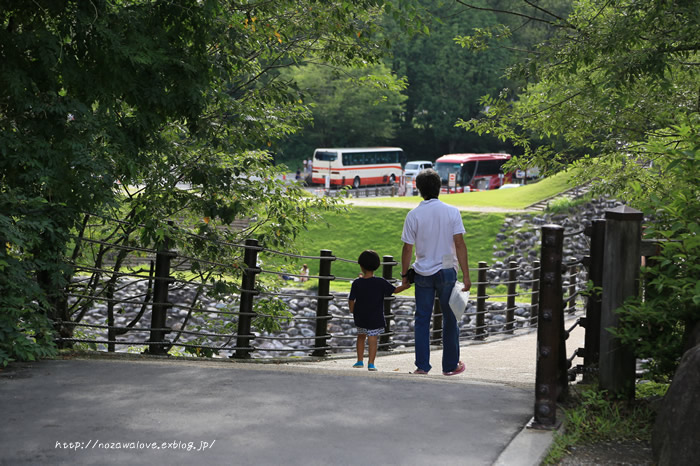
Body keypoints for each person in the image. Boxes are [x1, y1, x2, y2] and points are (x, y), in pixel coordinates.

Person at [401, 168, 471, 376]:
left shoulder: (413, 215)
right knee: (450, 318)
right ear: (440, 188)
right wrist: (466, 276)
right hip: (447, 271)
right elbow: (460, 244)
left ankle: (422, 366)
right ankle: (450, 366)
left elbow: (407, 248)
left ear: (418, 189)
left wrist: (405, 276)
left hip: (422, 271)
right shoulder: (452, 211)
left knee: (422, 319)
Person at [349, 250, 409, 371]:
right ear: (377, 266)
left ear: (361, 265)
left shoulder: (357, 283)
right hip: (375, 316)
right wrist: (405, 286)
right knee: (373, 339)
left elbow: (351, 299)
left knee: (361, 336)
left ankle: (359, 361)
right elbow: (395, 290)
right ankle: (371, 363)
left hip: (360, 316)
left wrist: (352, 310)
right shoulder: (380, 282)